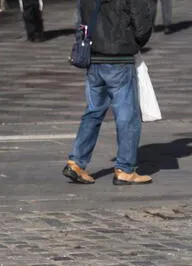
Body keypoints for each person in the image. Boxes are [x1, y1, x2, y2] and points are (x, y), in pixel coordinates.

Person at [63, 0, 155, 185]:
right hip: (118, 58)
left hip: (93, 56)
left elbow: (80, 19)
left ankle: (76, 162)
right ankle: (125, 169)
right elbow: (142, 25)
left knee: (93, 111)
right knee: (127, 115)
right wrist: (133, 43)